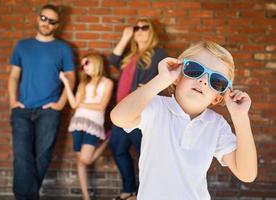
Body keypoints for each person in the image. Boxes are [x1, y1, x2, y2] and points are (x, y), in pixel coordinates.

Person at [111, 41, 257, 200]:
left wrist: (240, 118)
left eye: (216, 80)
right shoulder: (157, 107)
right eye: (195, 70)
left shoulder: (216, 125)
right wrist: (161, 79)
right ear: (177, 76)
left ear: (218, 97)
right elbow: (119, 117)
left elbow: (247, 174)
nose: (203, 81)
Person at [8, 4, 75, 200]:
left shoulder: (63, 48)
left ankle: (27, 196)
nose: (47, 23)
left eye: (52, 21)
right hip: (22, 109)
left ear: (57, 25)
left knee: (43, 156)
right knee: (22, 157)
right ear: (38, 18)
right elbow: (13, 76)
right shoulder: (22, 45)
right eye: (44, 18)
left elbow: (71, 77)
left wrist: (61, 103)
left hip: (49, 110)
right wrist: (13, 101)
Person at [108, 18, 168, 200]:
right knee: (117, 148)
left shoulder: (158, 54)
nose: (139, 31)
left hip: (140, 111)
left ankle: (144, 194)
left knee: (146, 153)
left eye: (144, 27)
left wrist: (149, 88)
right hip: (123, 110)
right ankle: (129, 190)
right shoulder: (130, 55)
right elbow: (113, 59)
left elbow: (169, 77)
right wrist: (126, 37)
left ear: (152, 32)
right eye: (136, 28)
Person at [60, 53, 113, 200]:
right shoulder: (83, 84)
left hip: (94, 124)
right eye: (82, 65)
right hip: (78, 122)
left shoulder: (107, 83)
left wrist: (80, 104)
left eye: (87, 63)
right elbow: (73, 104)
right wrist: (65, 82)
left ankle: (108, 138)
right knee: (80, 162)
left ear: (96, 63)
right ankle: (86, 197)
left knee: (86, 159)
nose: (84, 68)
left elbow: (101, 106)